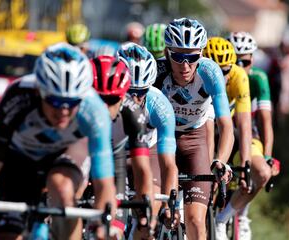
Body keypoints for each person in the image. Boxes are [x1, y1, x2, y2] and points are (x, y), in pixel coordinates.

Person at [0, 43, 115, 240]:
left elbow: (105, 183)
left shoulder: (94, 110)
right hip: (19, 159)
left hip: (67, 153)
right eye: (55, 102)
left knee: (63, 188)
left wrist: (103, 225)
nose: (63, 111)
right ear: (39, 91)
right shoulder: (18, 96)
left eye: (72, 103)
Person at [155, 18, 234, 240]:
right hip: (160, 138)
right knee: (151, 214)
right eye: (178, 56)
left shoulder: (210, 72)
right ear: (166, 52)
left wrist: (220, 160)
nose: (185, 65)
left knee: (196, 222)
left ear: (201, 53)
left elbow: (225, 125)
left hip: (193, 139)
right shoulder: (157, 72)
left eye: (192, 57)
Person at [118, 42, 178, 238]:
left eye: (141, 93)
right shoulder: (105, 98)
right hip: (114, 152)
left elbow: (168, 164)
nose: (134, 100)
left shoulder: (159, 104)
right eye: (129, 92)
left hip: (147, 150)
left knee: (148, 209)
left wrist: (171, 204)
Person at [91, 55, 153, 235]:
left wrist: (144, 208)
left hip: (113, 163)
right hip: (82, 159)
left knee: (111, 232)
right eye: (99, 99)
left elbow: (142, 168)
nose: (104, 108)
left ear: (124, 94)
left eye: (112, 100)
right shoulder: (76, 107)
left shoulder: (133, 113)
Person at [228, 31, 278, 240]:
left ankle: (240, 215)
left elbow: (265, 121)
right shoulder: (222, 74)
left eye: (245, 61)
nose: (240, 66)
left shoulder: (258, 78)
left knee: (261, 172)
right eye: (235, 60)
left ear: (253, 60)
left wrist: (267, 155)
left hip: (250, 135)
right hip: (222, 134)